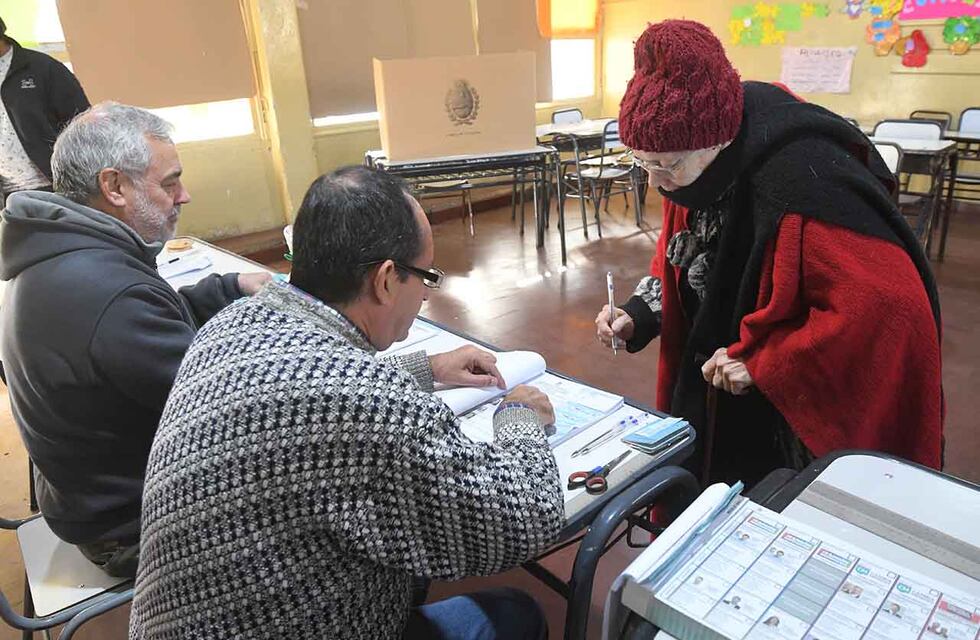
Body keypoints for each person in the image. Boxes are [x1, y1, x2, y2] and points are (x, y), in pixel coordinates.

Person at [129, 166, 565, 639]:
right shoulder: (363, 402)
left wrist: (430, 368)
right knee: (514, 611)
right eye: (426, 277)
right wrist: (519, 416)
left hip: (181, 620)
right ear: (384, 280)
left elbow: (294, 395)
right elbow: (524, 518)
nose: (424, 295)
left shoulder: (232, 323)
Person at [596, 20, 942, 484]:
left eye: (665, 165)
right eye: (643, 163)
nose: (655, 182)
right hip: (713, 385)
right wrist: (640, 311)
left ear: (717, 141)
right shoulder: (691, 164)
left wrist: (767, 362)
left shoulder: (802, 181)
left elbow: (890, 309)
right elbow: (684, 255)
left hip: (781, 428)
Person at [0, 102, 270, 578]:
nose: (183, 196)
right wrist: (417, 370)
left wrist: (231, 288)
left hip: (83, 498)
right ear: (114, 187)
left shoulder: (60, 252)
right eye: (169, 182)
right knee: (326, 478)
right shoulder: (108, 292)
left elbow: (151, 323)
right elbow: (244, 407)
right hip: (130, 526)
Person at [0, 16, 89, 202]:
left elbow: (85, 126)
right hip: (10, 196)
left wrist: (76, 179)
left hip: (60, 187)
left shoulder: (42, 68)